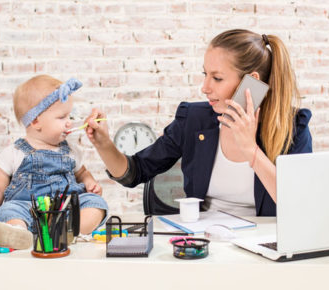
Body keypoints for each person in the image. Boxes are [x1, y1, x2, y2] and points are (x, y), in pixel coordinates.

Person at [85, 29, 312, 217]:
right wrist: (103, 144)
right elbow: (135, 173)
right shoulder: (193, 119)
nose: (205, 87)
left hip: (264, 244)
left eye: (217, 78)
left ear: (250, 82)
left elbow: (299, 204)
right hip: (204, 243)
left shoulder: (293, 128)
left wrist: (251, 150)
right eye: (205, 74)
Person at [0, 75, 108, 249]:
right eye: (62, 117)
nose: (69, 123)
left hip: (65, 211)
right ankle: (18, 232)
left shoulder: (70, 150)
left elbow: (82, 172)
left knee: (95, 203)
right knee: (8, 211)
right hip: (28, 210)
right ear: (35, 121)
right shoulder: (14, 152)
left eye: (69, 116)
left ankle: (68, 231)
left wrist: (89, 181)